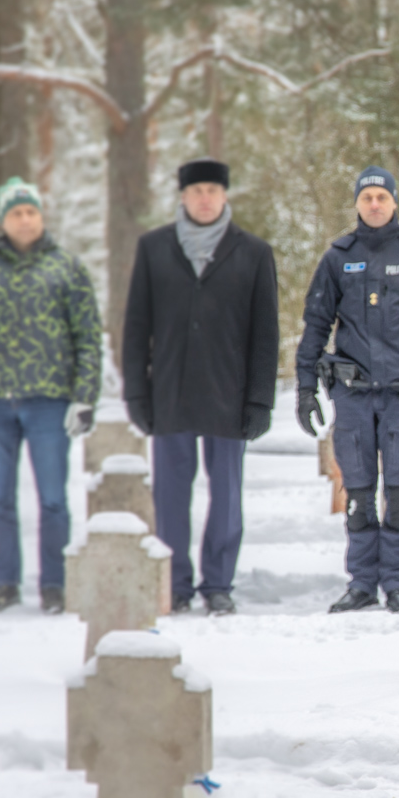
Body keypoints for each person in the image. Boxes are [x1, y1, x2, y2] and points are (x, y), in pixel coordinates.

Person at [122, 158, 280, 617]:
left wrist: (259, 400)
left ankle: (218, 583)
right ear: (183, 196)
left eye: (213, 189)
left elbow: (264, 335)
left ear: (225, 194)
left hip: (228, 395)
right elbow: (136, 327)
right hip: (169, 392)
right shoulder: (154, 248)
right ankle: (174, 581)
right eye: (196, 190)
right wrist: (136, 392)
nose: (205, 197)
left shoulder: (253, 253)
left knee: (227, 491)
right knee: (170, 492)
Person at [295, 166, 399, 614]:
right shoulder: (338, 257)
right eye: (367, 198)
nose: (375, 205)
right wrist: (306, 388)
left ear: (394, 201)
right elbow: (315, 327)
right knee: (360, 494)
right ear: (357, 204)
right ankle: (362, 583)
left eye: (382, 197)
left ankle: (396, 585)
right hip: (353, 395)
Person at [0, 177, 102, 614]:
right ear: (3, 220)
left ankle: (55, 584)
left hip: (48, 401)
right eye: (16, 212)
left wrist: (84, 395)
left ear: (41, 216)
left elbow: (88, 335)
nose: (25, 219)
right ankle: (5, 583)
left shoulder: (66, 268)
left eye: (31, 211)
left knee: (53, 498)